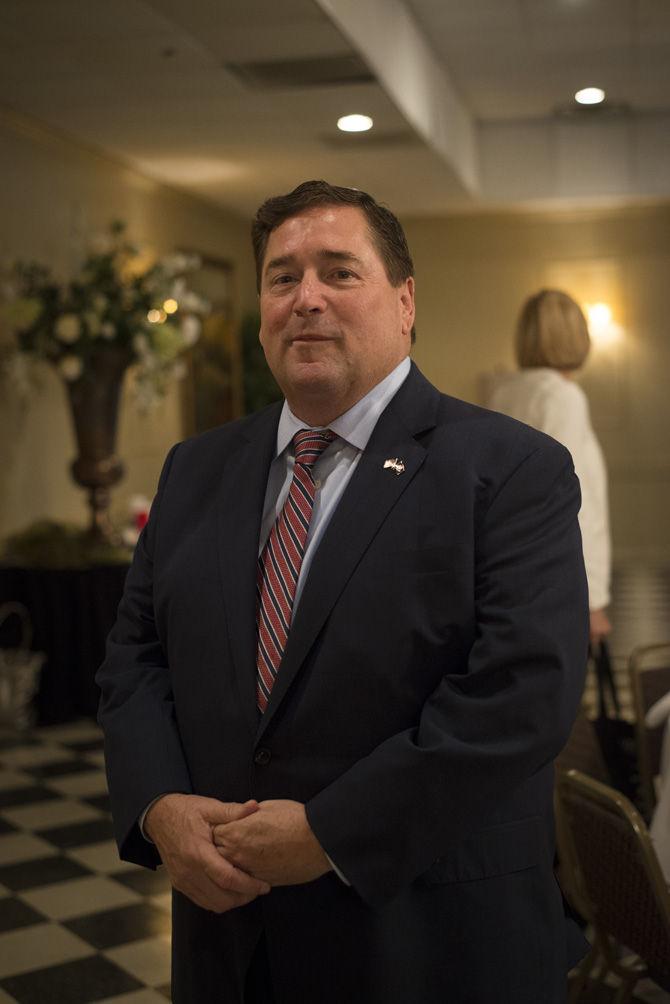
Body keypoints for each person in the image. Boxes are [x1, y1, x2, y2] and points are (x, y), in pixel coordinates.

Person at [97, 181, 589, 1003]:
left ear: (404, 301)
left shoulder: (511, 469)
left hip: (425, 941)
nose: (307, 299)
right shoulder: (196, 469)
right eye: (282, 278)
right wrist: (156, 807)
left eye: (338, 272)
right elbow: (135, 658)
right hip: (231, 939)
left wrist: (329, 833)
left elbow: (522, 694)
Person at [488, 290, 611, 646]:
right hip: (556, 578)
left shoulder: (506, 392)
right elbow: (572, 501)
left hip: (512, 570)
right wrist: (593, 600)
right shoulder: (562, 397)